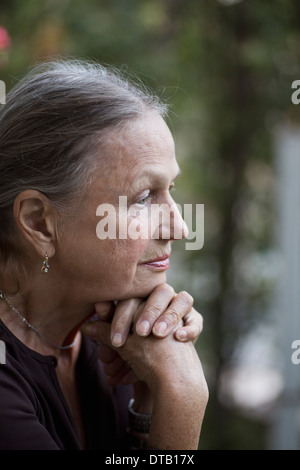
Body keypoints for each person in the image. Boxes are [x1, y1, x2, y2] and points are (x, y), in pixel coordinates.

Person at [0, 60, 208, 450]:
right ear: (40, 223)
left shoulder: (108, 336)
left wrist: (149, 399)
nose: (180, 228)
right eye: (144, 198)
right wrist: (183, 394)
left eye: (171, 190)